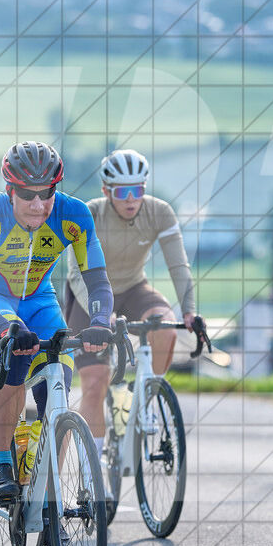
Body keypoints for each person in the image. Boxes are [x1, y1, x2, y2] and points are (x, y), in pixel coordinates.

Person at [0, 141, 114, 502]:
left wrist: (101, 321)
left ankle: (48, 497)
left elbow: (97, 281)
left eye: (47, 193)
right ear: (10, 190)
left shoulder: (73, 215)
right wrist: (1, 328)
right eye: (28, 194)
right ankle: (0, 463)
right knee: (16, 353)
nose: (38, 204)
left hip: (40, 301)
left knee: (57, 380)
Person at [63, 149, 198, 466]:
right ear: (106, 191)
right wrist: (99, 313)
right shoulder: (91, 214)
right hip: (90, 294)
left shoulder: (159, 212)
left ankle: (146, 396)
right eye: (122, 191)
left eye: (137, 189)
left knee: (165, 326)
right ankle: (93, 473)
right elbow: (75, 274)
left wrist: (190, 311)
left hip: (134, 287)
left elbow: (179, 266)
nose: (130, 198)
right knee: (95, 383)